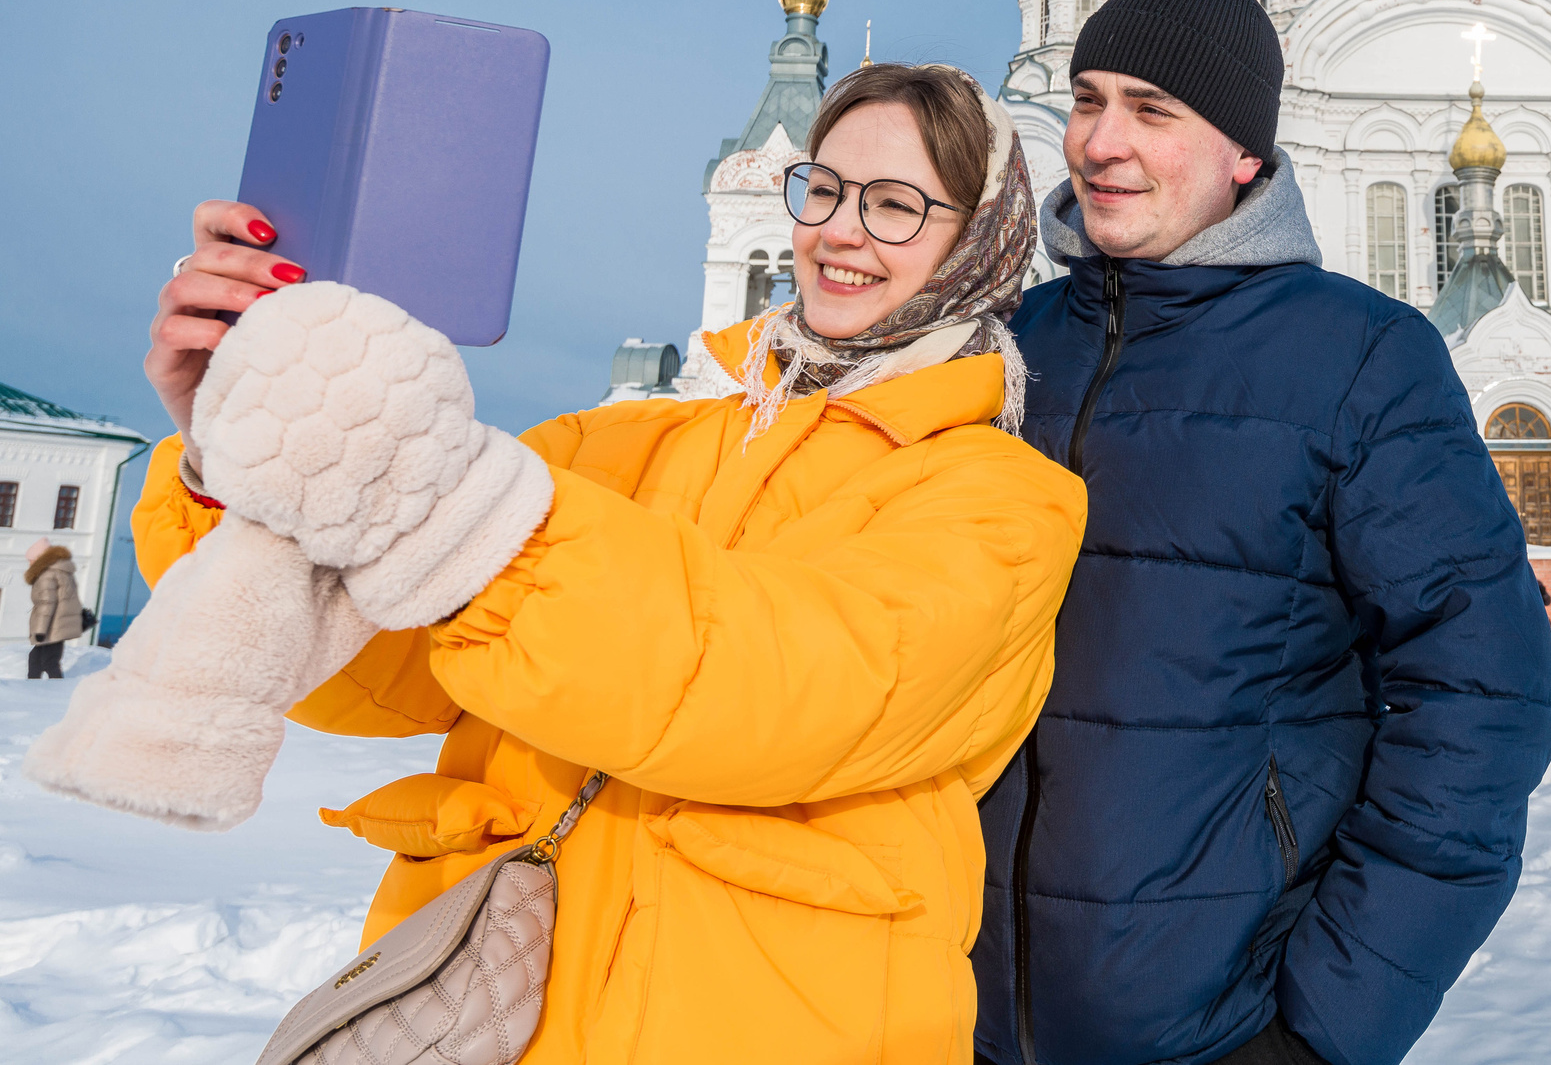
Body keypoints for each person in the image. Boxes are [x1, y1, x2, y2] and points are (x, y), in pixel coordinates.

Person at [60, 63, 1085, 1063]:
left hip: (766, 1025)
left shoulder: (1000, 500)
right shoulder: (624, 441)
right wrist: (248, 443)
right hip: (496, 1008)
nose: (837, 230)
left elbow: (768, 687)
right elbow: (379, 666)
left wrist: (455, 506)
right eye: (823, 187)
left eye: (896, 204)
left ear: (980, 242)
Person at [974, 0, 1551, 1065]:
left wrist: (1324, 1026)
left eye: (1152, 109)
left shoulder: (1356, 355)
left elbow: (1483, 695)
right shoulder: (1008, 348)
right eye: (1088, 99)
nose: (1100, 141)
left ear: (1245, 152)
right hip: (959, 1011)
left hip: (1219, 1024)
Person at [24, 539, 82, 678]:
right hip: (57, 625)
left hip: (52, 626)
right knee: (36, 660)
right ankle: (32, 688)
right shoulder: (61, 571)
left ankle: (55, 689)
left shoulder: (47, 575)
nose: (29, 563)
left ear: (40, 559)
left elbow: (46, 604)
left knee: (48, 662)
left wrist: (40, 631)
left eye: (31, 560)